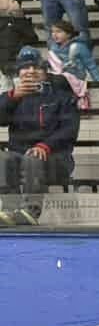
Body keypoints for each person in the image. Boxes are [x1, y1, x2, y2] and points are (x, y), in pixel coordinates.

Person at [0, 46, 79, 226]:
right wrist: (13, 97)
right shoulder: (11, 97)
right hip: (18, 156)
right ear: (19, 73)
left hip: (56, 158)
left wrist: (45, 146)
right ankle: (10, 210)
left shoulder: (62, 96)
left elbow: (70, 130)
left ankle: (30, 212)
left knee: (33, 158)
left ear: (45, 71)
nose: (31, 71)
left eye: (36, 67)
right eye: (25, 67)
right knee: (2, 158)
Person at [0, 0, 37, 91]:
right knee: (5, 90)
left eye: (10, 0)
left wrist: (19, 18)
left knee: (21, 89)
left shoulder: (19, 21)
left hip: (17, 62)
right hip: (3, 65)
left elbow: (32, 38)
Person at [48, 18, 99, 82]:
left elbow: (90, 64)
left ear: (68, 34)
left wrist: (98, 80)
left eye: (58, 31)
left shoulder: (78, 46)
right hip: (58, 77)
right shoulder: (53, 47)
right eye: (53, 32)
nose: (54, 34)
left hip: (75, 77)